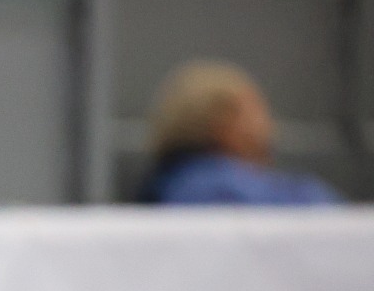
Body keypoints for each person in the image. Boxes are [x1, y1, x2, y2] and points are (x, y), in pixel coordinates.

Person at [139, 60, 341, 206]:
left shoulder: (173, 182)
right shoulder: (212, 188)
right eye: (256, 112)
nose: (269, 127)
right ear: (221, 123)